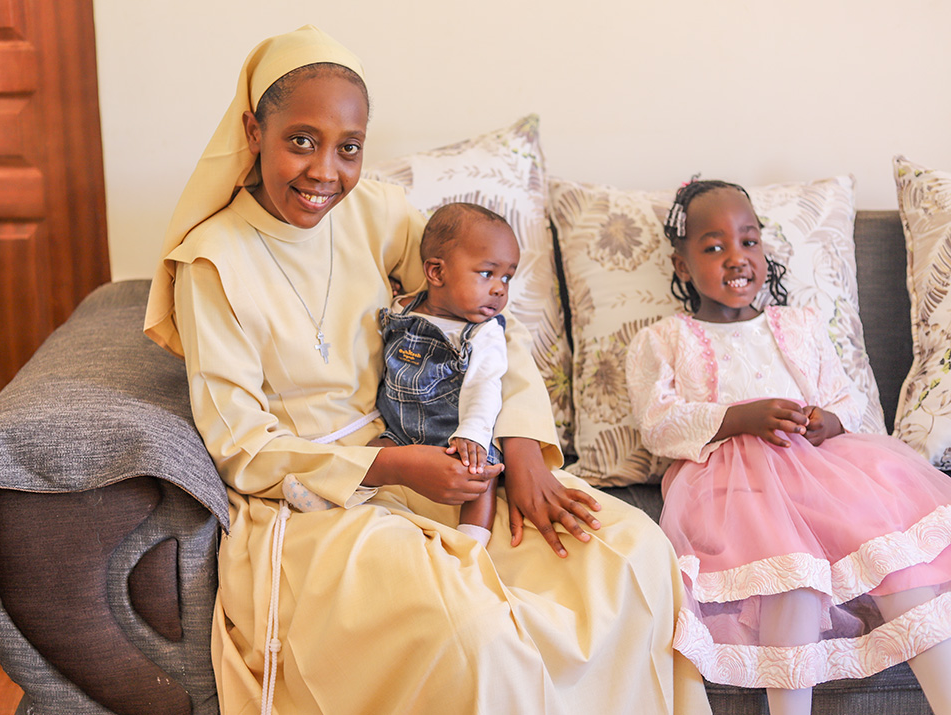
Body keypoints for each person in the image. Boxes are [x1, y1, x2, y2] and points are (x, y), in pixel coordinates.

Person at [144, 25, 712, 715]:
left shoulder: (373, 210)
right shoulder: (212, 262)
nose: (325, 171)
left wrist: (524, 449)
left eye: (347, 147)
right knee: (471, 632)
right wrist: (395, 467)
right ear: (252, 130)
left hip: (436, 456)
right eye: (301, 140)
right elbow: (241, 446)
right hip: (317, 502)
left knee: (633, 552)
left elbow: (482, 322)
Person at [625, 178, 951, 715]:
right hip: (734, 488)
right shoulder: (664, 340)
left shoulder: (797, 324)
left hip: (826, 474)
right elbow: (659, 426)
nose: (737, 257)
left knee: (894, 562)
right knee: (790, 577)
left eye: (749, 241)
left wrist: (830, 421)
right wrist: (739, 418)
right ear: (682, 266)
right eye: (714, 247)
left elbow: (846, 398)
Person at [371, 202, 518, 547]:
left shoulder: (483, 333)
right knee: (368, 456)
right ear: (436, 273)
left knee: (482, 476)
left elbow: (485, 384)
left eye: (507, 278)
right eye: (487, 273)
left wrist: (472, 435)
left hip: (455, 434)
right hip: (398, 430)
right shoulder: (403, 308)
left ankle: (471, 544)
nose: (499, 289)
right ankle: (327, 497)